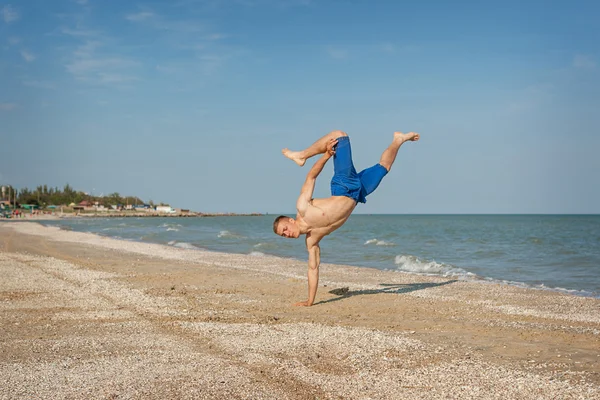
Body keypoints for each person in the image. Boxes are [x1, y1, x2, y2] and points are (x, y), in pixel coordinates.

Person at [273, 130, 420, 306]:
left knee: (339, 135)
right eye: (283, 235)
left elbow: (311, 176)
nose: (287, 234)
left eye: (285, 229)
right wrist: (310, 301)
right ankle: (399, 139)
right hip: (357, 195)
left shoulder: (303, 208)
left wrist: (327, 155)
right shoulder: (312, 240)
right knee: (384, 167)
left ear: (290, 220)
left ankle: (301, 155)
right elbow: (313, 268)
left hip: (343, 185)